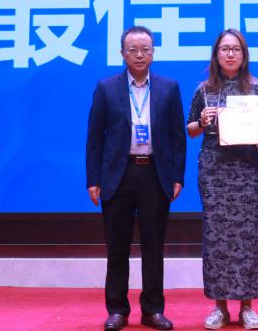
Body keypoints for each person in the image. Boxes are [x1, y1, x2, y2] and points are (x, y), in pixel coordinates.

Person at [86, 26, 187, 331]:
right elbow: (95, 138)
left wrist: (177, 176)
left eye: (145, 49)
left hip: (155, 173)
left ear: (153, 52)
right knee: (117, 248)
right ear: (122, 53)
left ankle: (153, 310)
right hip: (118, 175)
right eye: (133, 49)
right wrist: (93, 179)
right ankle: (117, 310)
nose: (140, 55)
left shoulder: (168, 87)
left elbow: (177, 137)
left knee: (153, 246)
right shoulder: (106, 87)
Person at [187, 29, 258, 330]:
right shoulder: (204, 89)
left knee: (249, 235)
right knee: (216, 237)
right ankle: (219, 308)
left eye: (236, 49)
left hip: (248, 169)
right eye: (225, 49)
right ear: (216, 54)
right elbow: (191, 129)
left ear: (244, 54)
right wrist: (202, 121)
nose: (230, 54)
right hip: (215, 171)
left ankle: (247, 307)